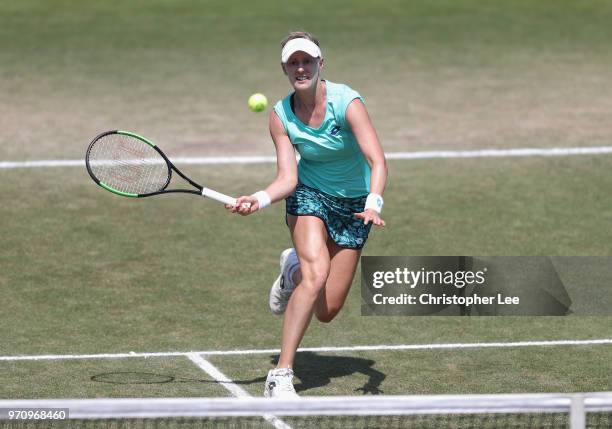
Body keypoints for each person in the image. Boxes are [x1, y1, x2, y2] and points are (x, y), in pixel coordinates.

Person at [227, 31, 387, 398]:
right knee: (317, 275)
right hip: (309, 195)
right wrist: (259, 198)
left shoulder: (348, 103)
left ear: (320, 64)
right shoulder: (281, 116)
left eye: (307, 61)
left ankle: (291, 270)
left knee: (327, 310)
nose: (301, 68)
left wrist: (373, 202)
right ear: (284, 68)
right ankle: (281, 375)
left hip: (355, 206)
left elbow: (376, 159)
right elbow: (288, 177)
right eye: (293, 62)